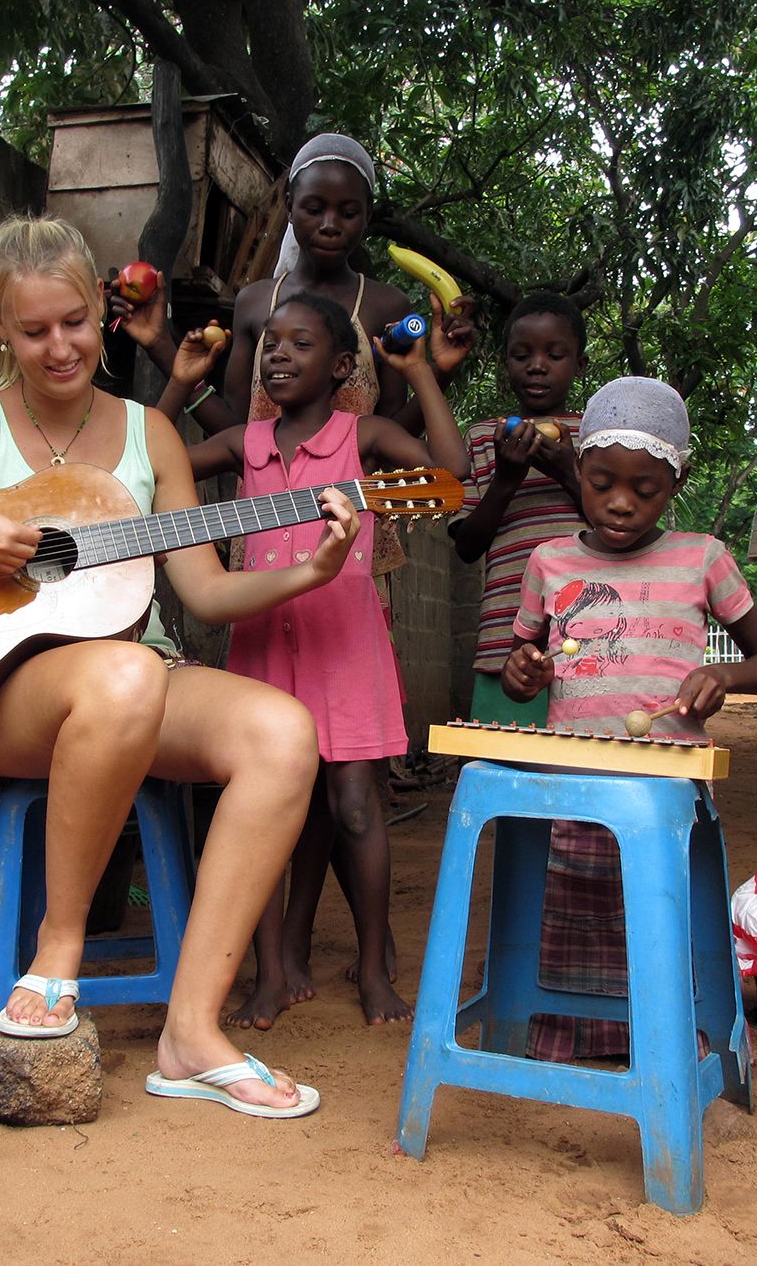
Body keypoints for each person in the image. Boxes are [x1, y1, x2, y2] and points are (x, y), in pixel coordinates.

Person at [0, 215, 360, 1118]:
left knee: (286, 733)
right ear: (0, 329)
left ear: (101, 308)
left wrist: (306, 570)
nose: (59, 347)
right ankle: (58, 953)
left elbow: (202, 596)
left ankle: (192, 1032)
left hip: (142, 675)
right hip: (18, 702)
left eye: (74, 323)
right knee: (117, 679)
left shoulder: (147, 436)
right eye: (34, 329)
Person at [160, 291, 469, 1027]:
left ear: (339, 366)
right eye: (271, 342)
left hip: (345, 647)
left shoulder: (363, 435)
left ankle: (371, 966)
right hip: (263, 646)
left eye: (300, 344)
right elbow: (152, 461)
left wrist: (420, 372)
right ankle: (269, 971)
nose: (277, 354)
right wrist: (178, 380)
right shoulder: (245, 441)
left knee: (356, 807)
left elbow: (451, 473)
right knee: (259, 809)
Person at [499, 377, 757, 1063]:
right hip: (575, 782)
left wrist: (724, 675)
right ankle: (568, 1032)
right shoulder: (550, 562)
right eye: (601, 483)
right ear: (578, 471)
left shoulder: (703, 558)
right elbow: (521, 668)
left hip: (667, 791)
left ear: (677, 479)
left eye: (645, 489)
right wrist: (524, 673)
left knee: (657, 909)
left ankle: (664, 1034)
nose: (621, 502)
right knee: (574, 907)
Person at [111, 132, 475, 597]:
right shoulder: (256, 301)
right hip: (264, 520)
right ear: (288, 203)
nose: (329, 224)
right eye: (313, 207)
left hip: (347, 531)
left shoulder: (386, 304)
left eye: (348, 212)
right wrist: (163, 348)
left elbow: (389, 437)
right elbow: (237, 426)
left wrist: (434, 371)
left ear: (367, 217)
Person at [451, 293, 589, 725]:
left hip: (591, 640)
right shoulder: (482, 438)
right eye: (522, 354)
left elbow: (624, 525)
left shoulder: (597, 436)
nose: (537, 366)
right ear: (504, 363)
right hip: (505, 645)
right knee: (504, 765)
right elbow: (468, 546)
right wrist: (506, 481)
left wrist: (569, 471)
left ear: (579, 365)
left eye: (555, 354)